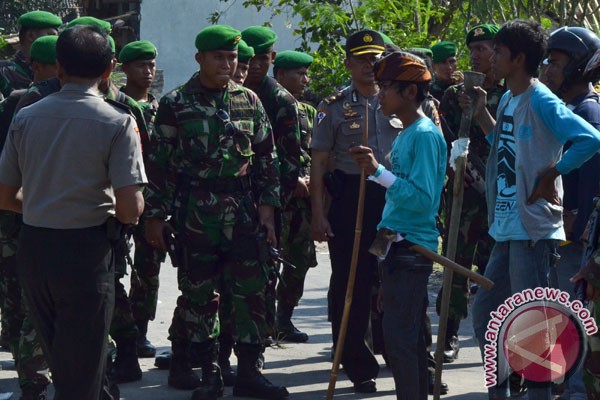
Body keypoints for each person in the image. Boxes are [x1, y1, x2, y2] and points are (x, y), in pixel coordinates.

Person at [142, 25, 289, 400]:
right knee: (200, 296)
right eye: (219, 57)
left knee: (251, 292)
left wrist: (268, 211)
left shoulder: (249, 101)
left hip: (242, 212)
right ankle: (209, 373)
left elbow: (267, 159)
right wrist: (156, 218)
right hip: (197, 213)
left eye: (232, 58)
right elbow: (160, 166)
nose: (228, 64)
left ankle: (250, 373)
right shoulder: (176, 104)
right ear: (200, 59)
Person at [0, 24, 146, 399]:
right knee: (83, 369)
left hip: (34, 248)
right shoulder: (117, 121)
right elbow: (130, 208)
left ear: (59, 68)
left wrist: (42, 205)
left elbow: (4, 195)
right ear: (108, 71)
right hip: (86, 252)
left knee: (64, 361)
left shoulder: (26, 116)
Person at [468, 19, 600, 400]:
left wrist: (553, 172)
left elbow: (589, 140)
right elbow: (505, 147)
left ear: (518, 57)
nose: (490, 57)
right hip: (507, 227)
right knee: (487, 315)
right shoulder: (509, 97)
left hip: (533, 231)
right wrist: (480, 113)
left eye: (498, 51)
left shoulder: (541, 98)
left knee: (530, 326)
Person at [350, 50, 447, 400]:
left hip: (411, 249)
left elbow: (423, 199)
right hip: (394, 246)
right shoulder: (406, 133)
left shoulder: (423, 134)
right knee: (403, 339)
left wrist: (378, 172)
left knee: (401, 341)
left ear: (410, 92)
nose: (380, 94)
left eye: (387, 87)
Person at [310, 29, 398, 394]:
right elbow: (318, 162)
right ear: (347, 63)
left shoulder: (399, 99)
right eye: (361, 59)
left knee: (397, 276)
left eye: (375, 58)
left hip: (392, 197)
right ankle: (358, 365)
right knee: (352, 283)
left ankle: (404, 354)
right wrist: (318, 213)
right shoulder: (332, 106)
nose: (369, 65)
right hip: (350, 197)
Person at [437, 23, 505, 364]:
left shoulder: (510, 94)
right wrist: (453, 169)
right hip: (464, 196)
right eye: (473, 48)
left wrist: (480, 110)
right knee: (456, 262)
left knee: (496, 268)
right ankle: (448, 334)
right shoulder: (453, 95)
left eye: (485, 47)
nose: (477, 54)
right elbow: (444, 138)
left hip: (499, 195)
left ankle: (499, 336)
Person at [541, 26, 600, 400]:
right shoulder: (567, 109)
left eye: (556, 63)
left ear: (579, 68)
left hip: (577, 238)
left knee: (574, 319)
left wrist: (577, 220)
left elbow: (592, 178)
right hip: (566, 234)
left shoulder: (588, 111)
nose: (548, 69)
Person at [0, 34, 59, 400]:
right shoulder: (19, 107)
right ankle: (32, 381)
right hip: (23, 216)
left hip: (55, 219)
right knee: (24, 301)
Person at [241, 26, 303, 345]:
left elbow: (291, 160)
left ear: (272, 58)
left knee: (265, 267)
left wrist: (277, 201)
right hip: (233, 199)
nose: (254, 66)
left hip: (270, 199)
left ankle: (262, 334)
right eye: (249, 59)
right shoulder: (230, 93)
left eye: (262, 59)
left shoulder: (281, 100)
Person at [118, 39, 166, 360]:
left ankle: (141, 332)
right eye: (140, 66)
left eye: (151, 65)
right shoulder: (118, 106)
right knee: (116, 268)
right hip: (123, 197)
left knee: (149, 271)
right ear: (125, 69)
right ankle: (119, 334)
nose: (147, 72)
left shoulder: (160, 108)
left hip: (153, 201)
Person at [273, 50, 318, 343]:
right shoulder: (267, 105)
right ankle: (263, 321)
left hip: (303, 202)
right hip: (277, 199)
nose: (305, 79)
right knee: (268, 262)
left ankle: (284, 318)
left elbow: (316, 152)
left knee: (299, 261)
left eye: (306, 74)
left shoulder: (309, 112)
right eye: (298, 74)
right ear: (280, 76)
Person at [0, 11, 61, 101]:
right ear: (31, 36)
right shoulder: (3, 70)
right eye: (50, 35)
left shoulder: (57, 67)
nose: (54, 40)